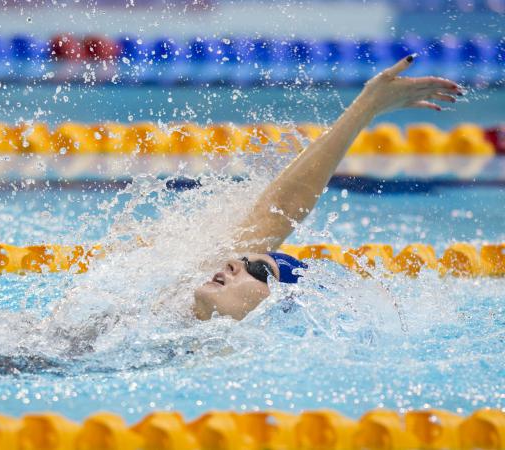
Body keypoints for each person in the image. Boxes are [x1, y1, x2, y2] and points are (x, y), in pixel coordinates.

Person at [192, 54, 462, 321]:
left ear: (274, 308)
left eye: (260, 270)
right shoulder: (172, 311)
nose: (231, 263)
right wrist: (366, 106)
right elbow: (277, 212)